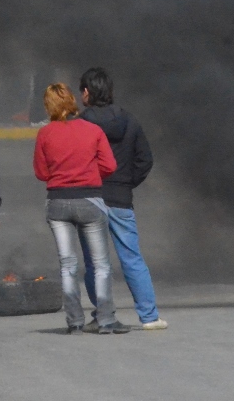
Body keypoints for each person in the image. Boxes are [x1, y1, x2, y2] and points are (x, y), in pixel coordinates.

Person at [77, 67, 168, 331]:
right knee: (132, 257)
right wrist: (126, 183)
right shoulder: (130, 121)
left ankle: (102, 315)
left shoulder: (81, 124)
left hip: (90, 197)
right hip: (121, 199)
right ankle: (149, 317)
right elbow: (145, 159)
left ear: (86, 92)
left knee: (94, 262)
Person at [33, 82, 127, 334]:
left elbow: (41, 172)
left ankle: (74, 321)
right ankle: (105, 319)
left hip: (57, 202)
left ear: (48, 106)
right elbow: (109, 166)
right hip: (90, 201)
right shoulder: (93, 130)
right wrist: (88, 173)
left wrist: (61, 174)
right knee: (101, 265)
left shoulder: (45, 134)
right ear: (72, 101)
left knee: (67, 265)